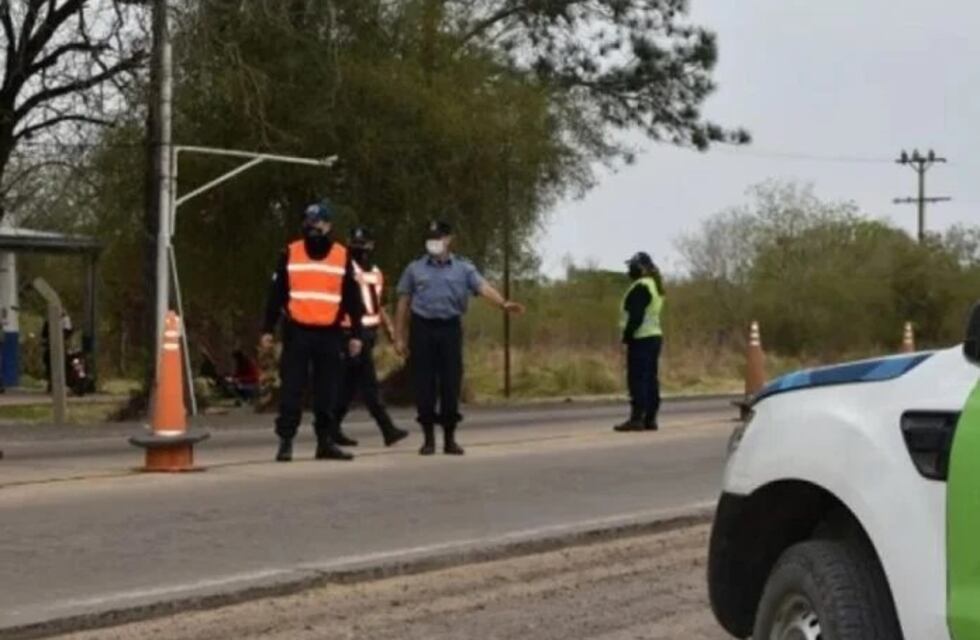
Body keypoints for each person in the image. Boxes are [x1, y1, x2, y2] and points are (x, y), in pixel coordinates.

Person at [395, 220, 524, 456]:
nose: (433, 242)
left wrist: (503, 303)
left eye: (438, 238)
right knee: (424, 385)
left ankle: (449, 439)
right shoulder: (414, 268)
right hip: (422, 329)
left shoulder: (463, 268)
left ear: (448, 239)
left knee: (450, 383)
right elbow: (403, 303)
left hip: (449, 329)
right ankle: (428, 440)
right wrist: (399, 337)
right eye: (430, 238)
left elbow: (483, 287)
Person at [261, 201, 365, 462]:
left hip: (330, 333)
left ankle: (325, 442)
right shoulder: (291, 252)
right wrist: (267, 329)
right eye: (308, 221)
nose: (312, 227)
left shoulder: (341, 255)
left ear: (328, 226)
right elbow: (276, 294)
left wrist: (356, 334)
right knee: (292, 388)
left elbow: (352, 299)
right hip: (297, 332)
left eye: (317, 222)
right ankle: (286, 442)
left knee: (327, 391)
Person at [333, 226, 409, 448]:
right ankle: (387, 429)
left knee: (349, 386)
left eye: (363, 243)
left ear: (371, 245)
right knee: (369, 384)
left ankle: (331, 427)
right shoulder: (345, 268)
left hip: (369, 332)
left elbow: (378, 304)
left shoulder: (376, 272)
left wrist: (390, 330)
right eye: (355, 243)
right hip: (351, 333)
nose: (359, 248)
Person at [614, 251, 666, 432]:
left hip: (641, 338)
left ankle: (637, 418)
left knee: (638, 379)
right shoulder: (655, 285)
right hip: (654, 336)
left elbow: (636, 316)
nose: (630, 270)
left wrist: (627, 336)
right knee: (650, 378)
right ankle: (650, 418)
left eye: (632, 266)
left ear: (642, 268)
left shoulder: (641, 287)